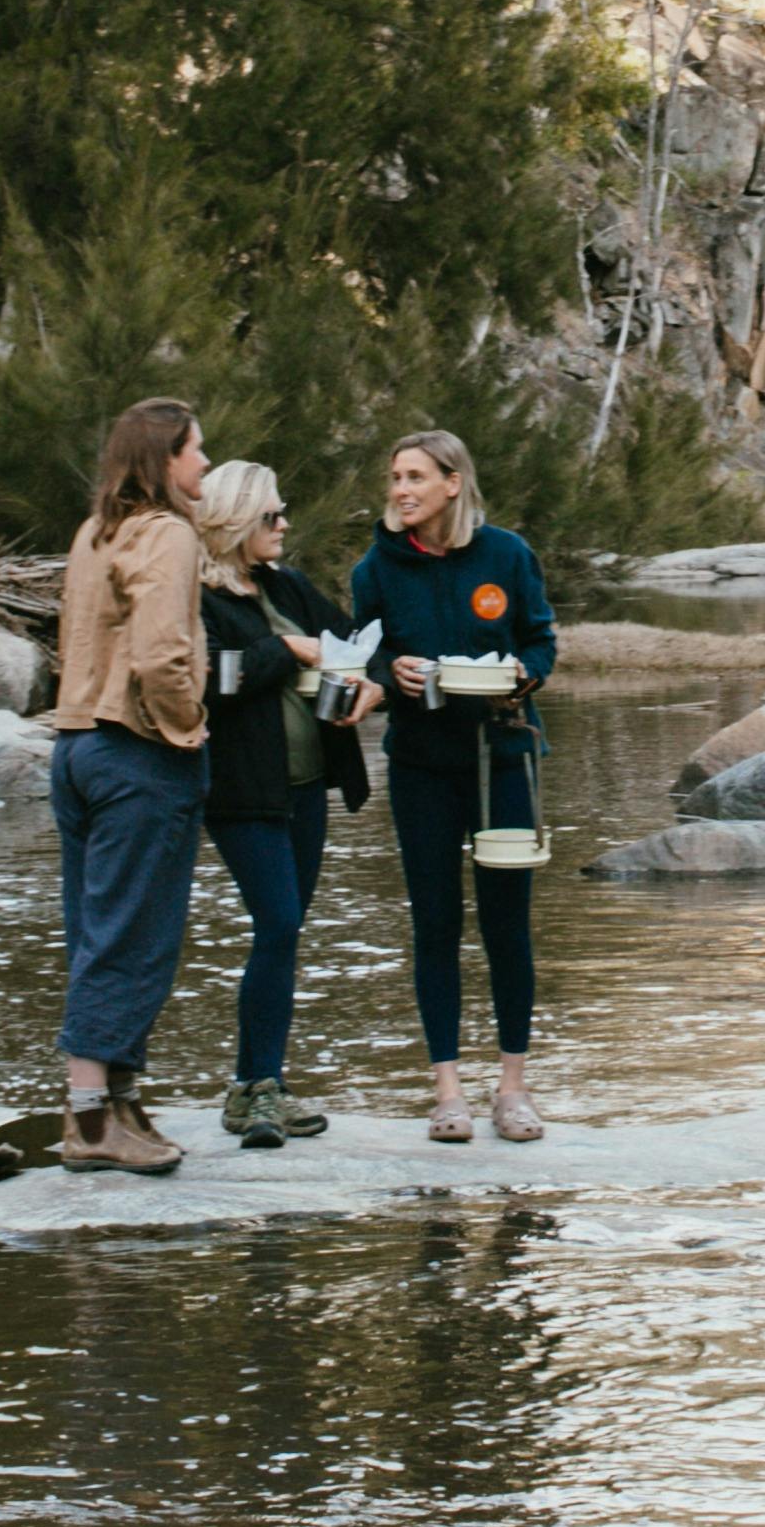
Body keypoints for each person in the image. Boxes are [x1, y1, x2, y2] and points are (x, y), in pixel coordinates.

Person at [353, 428, 556, 1144]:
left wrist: (525, 674)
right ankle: (447, 1093)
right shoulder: (376, 567)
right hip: (421, 766)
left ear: (452, 483)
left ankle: (513, 1089)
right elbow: (361, 654)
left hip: (504, 758)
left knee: (507, 923)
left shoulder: (506, 554)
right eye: (395, 478)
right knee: (435, 923)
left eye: (415, 477)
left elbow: (540, 640)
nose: (401, 490)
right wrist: (389, 671)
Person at [42, 396, 212, 1174]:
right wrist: (188, 725)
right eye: (195, 450)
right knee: (134, 936)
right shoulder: (169, 533)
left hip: (75, 746)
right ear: (164, 459)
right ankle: (88, 1120)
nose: (204, 464)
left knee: (96, 929)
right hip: (136, 753)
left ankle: (117, 1102)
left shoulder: (95, 530)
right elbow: (159, 653)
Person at [190, 459, 378, 1149]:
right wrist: (288, 648)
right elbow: (213, 681)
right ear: (237, 519)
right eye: (272, 515)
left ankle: (264, 1080)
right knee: (277, 921)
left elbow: (351, 640)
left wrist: (371, 685)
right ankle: (253, 1087)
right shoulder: (198, 598)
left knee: (287, 930)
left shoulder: (286, 585)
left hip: (305, 786)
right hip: (242, 789)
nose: (284, 524)